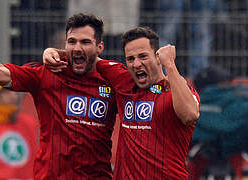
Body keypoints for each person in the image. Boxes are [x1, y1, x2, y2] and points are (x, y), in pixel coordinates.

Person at [0, 4, 117, 179]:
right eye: (72, 42)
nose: (77, 48)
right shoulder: (46, 74)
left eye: (85, 42)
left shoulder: (113, 79)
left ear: (99, 47)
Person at [44, 27, 200, 179]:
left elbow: (190, 115)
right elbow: (88, 57)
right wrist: (53, 52)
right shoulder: (123, 81)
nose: (136, 64)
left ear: (158, 58)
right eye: (130, 59)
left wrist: (170, 66)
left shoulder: (177, 90)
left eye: (143, 56)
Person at [187, 65, 248, 180]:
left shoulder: (194, 101)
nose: (229, 86)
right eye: (225, 83)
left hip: (210, 153)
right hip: (219, 153)